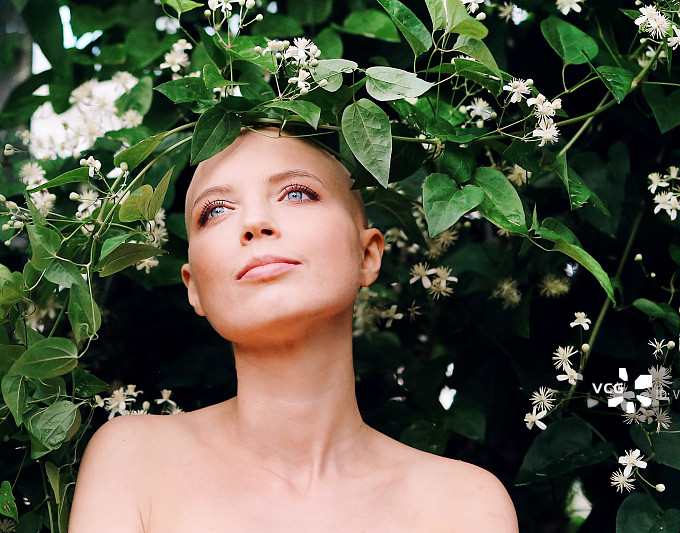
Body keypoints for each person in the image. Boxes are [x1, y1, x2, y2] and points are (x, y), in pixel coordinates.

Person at [68, 128, 519, 532]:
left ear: (367, 255)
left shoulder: (464, 505)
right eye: (216, 210)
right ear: (195, 288)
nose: (254, 223)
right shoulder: (135, 461)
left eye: (297, 193)